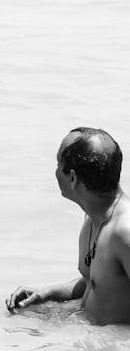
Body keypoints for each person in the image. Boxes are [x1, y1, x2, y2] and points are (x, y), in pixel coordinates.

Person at [7, 127, 130, 325]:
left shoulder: (124, 232)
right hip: (91, 336)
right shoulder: (93, 217)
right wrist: (48, 292)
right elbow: (101, 282)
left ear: (72, 178)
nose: (55, 171)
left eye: (58, 164)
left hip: (113, 350)